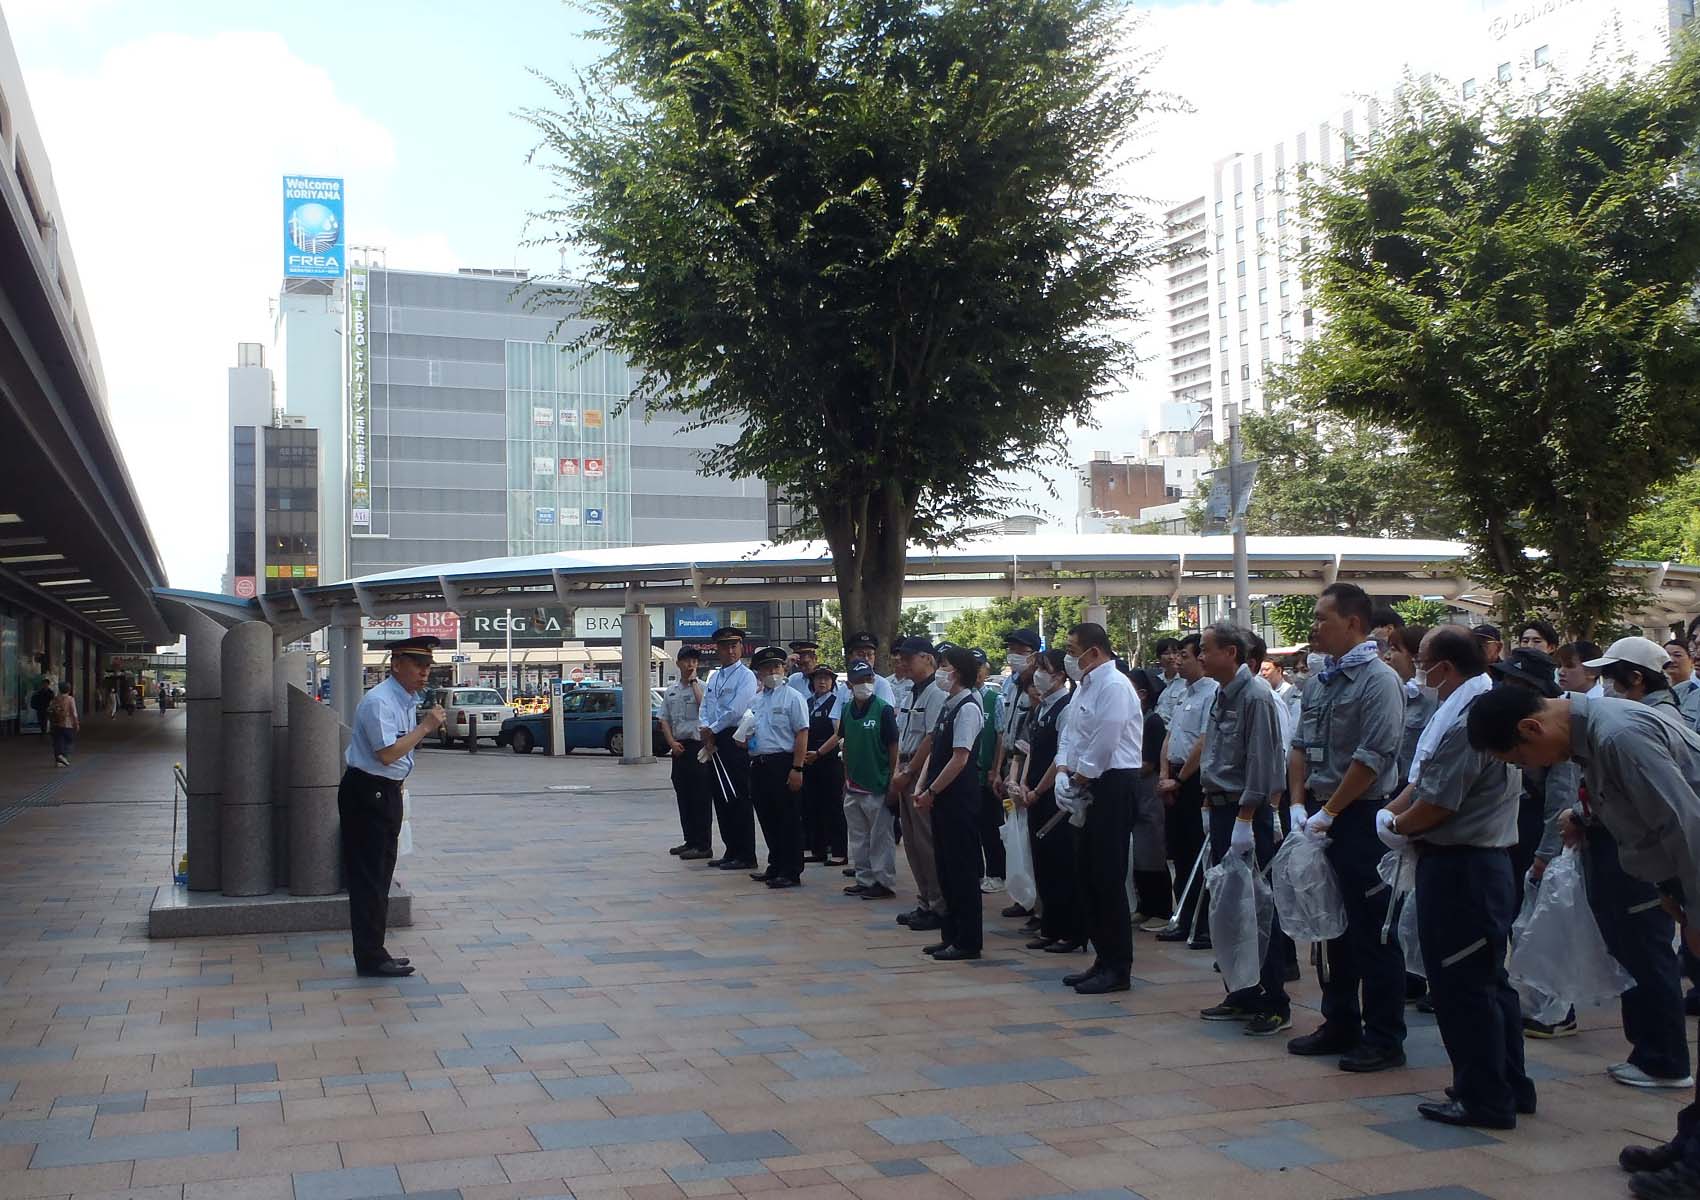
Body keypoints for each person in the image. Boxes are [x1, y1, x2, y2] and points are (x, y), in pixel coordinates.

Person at [1467, 683, 1700, 1199]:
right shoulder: (1595, 738)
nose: (1534, 767)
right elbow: (1634, 803)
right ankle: (1692, 1143)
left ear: (1532, 728)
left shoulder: (1618, 737)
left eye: (1522, 757)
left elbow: (1688, 825)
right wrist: (1584, 817)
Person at [1379, 626, 1531, 1128]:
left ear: (1443, 668)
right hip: (1475, 864)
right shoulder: (1474, 710)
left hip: (1465, 866)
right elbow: (1424, 782)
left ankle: (1485, 1096)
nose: (1414, 669)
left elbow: (1439, 801)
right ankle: (1505, 1082)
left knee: (1464, 987)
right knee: (1487, 981)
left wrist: (1395, 826)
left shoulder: (1470, 719)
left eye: (1419, 659)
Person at [1562, 639, 1694, 1091]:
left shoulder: (1641, 726)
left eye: (1611, 679)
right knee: (1635, 951)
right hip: (1620, 852)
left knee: (1647, 953)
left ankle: (1664, 1058)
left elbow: (1671, 814)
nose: (1606, 690)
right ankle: (1651, 1051)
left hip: (1642, 864)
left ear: (1636, 678)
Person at [1288, 581, 1408, 1073]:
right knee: (1329, 924)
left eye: (1323, 619)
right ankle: (1339, 1020)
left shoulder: (1378, 681)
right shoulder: (1320, 681)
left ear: (1354, 623)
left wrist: (1331, 811)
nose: (1314, 628)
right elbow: (1299, 745)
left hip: (1359, 817)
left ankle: (1384, 1036)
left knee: (1372, 930)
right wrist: (1299, 806)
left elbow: (1372, 758)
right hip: (1321, 814)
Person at [1195, 622, 1294, 1036]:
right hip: (1221, 810)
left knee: (1256, 905)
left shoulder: (1256, 696)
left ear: (1232, 652)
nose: (1200, 656)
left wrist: (1246, 819)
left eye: (1206, 649)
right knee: (1230, 904)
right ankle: (1241, 990)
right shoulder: (1223, 692)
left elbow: (1263, 762)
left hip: (1242, 813)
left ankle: (1274, 1000)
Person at [339, 636, 445, 978]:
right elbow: (386, 753)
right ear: (396, 663)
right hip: (368, 793)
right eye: (417, 664)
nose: (424, 672)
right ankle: (369, 957)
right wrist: (426, 728)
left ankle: (375, 950)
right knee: (369, 877)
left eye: (427, 666)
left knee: (382, 874)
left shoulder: (405, 699)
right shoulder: (380, 702)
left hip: (386, 793)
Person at [1055, 622, 1142, 994]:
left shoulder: (1114, 685)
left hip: (1112, 783)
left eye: (1073, 651)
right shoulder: (1084, 687)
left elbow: (1107, 738)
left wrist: (1080, 778)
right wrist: (1062, 770)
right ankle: (1102, 957)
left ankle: (1118, 966)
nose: (1069, 658)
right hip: (1084, 780)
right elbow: (1071, 734)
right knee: (1087, 875)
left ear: (1094, 651)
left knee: (1107, 878)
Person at [916, 644, 988, 961]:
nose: (941, 672)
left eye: (944, 665)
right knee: (945, 868)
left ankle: (968, 940)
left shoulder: (969, 707)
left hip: (958, 799)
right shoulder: (949, 703)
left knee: (961, 870)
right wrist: (923, 786)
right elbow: (935, 750)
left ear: (956, 671)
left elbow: (960, 759)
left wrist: (931, 792)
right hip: (941, 797)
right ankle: (951, 934)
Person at [1012, 648, 1083, 951]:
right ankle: (1049, 926)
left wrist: (1039, 789)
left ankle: (1070, 931)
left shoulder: (1067, 707)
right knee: (1042, 862)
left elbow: (1060, 757)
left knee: (1061, 863)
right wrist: (1024, 784)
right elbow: (1031, 751)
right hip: (1035, 793)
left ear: (1060, 676)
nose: (1038, 674)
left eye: (1045, 668)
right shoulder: (1040, 708)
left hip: (1055, 795)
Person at [1157, 634, 1217, 946]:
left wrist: (1180, 780)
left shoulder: (1212, 693)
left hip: (1195, 781)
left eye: (1185, 655)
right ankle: (1181, 915)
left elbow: (1204, 741)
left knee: (1197, 852)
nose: (1178, 661)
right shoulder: (1181, 692)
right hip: (1175, 777)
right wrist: (1166, 774)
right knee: (1179, 853)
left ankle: (1201, 923)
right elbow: (1171, 736)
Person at [827, 659, 899, 900]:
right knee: (858, 836)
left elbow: (893, 746)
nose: (865, 685)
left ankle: (883, 881)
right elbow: (844, 743)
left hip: (877, 783)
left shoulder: (883, 709)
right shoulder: (847, 710)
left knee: (881, 837)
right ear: (849, 684)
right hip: (854, 784)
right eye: (859, 681)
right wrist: (846, 777)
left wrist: (892, 779)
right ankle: (864, 877)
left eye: (868, 680)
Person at [891, 637, 949, 932]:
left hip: (920, 770)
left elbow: (931, 738)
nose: (902, 663)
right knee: (912, 843)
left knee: (926, 842)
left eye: (908, 658)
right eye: (900, 658)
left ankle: (939, 904)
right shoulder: (910, 693)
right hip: (905, 766)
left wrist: (911, 770)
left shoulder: (937, 692)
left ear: (927, 658)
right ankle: (925, 899)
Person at [745, 646, 811, 888]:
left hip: (784, 762)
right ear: (759, 673)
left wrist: (797, 768)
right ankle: (775, 863)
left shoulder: (794, 697)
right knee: (767, 816)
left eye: (776, 667)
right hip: (760, 764)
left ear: (784, 669)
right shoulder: (756, 700)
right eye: (766, 668)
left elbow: (802, 733)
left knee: (788, 818)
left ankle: (791, 869)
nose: (772, 672)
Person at [699, 627, 759, 871]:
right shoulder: (715, 677)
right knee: (721, 797)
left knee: (737, 796)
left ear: (741, 647)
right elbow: (706, 705)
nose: (730, 650)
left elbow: (735, 710)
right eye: (725, 646)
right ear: (718, 649)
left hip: (733, 738)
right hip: (714, 738)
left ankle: (746, 853)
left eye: (734, 645)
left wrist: (712, 729)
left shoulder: (746, 676)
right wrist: (704, 728)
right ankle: (731, 849)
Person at [991, 628, 1041, 918]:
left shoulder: (1037, 684)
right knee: (1013, 837)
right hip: (1010, 762)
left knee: (1029, 838)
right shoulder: (1010, 685)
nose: (1014, 654)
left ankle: (1036, 900)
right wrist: (998, 771)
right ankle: (1022, 895)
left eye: (1020, 649)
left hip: (1027, 768)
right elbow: (1003, 732)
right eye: (1011, 648)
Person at [1126, 668, 1173, 931]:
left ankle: (1162, 909)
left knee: (1153, 851)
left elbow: (1149, 763)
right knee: (1140, 854)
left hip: (1148, 791)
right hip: (1134, 792)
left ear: (1142, 694)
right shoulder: (1132, 719)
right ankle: (1145, 906)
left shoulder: (1152, 722)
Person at [660, 647, 711, 860]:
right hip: (679, 748)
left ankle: (703, 844)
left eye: (694, 661)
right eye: (686, 661)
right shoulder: (671, 691)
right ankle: (689, 840)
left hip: (698, 747)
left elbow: (705, 708)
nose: (690, 665)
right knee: (684, 796)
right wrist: (671, 742)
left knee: (700, 797)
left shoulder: (704, 687)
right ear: (678, 663)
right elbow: (664, 719)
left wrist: (693, 683)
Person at [801, 665, 848, 866]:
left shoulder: (836, 703)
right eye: (818, 678)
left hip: (829, 761)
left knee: (833, 807)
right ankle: (817, 849)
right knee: (812, 806)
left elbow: (838, 733)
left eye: (827, 679)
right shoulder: (807, 702)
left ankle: (839, 851)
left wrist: (820, 753)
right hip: (808, 761)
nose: (822, 682)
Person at [970, 648, 1005, 893]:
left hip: (987, 773)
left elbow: (1001, 736)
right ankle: (977, 872)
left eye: (980, 666)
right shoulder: (964, 697)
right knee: (972, 828)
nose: (977, 672)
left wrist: (995, 768)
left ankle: (996, 873)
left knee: (991, 826)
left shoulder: (995, 699)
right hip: (969, 775)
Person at [1384, 625, 1434, 786]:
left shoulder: (1433, 698)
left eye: (1394, 649)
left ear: (1416, 657)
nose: (1387, 656)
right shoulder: (1387, 694)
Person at [840, 632, 896, 707]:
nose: (866, 659)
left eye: (869, 655)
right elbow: (836, 717)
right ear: (850, 657)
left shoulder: (881, 685)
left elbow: (886, 714)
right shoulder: (844, 688)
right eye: (860, 655)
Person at [1666, 640, 1700, 733]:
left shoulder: (1695, 691)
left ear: (1691, 659)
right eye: (1666, 655)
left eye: (1677, 655)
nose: (1671, 660)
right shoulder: (1655, 691)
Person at [1154, 638, 1185, 725]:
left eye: (1175, 653)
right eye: (1166, 653)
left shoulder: (1186, 682)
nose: (1171, 657)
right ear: (1159, 657)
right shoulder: (1155, 681)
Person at [47, 682, 79, 767]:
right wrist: (76, 723)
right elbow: (74, 713)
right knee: (69, 741)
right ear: (69, 689)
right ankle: (63, 756)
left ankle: (59, 761)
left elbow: (49, 710)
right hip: (67, 724)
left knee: (57, 741)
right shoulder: (70, 699)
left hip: (56, 724)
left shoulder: (55, 699)